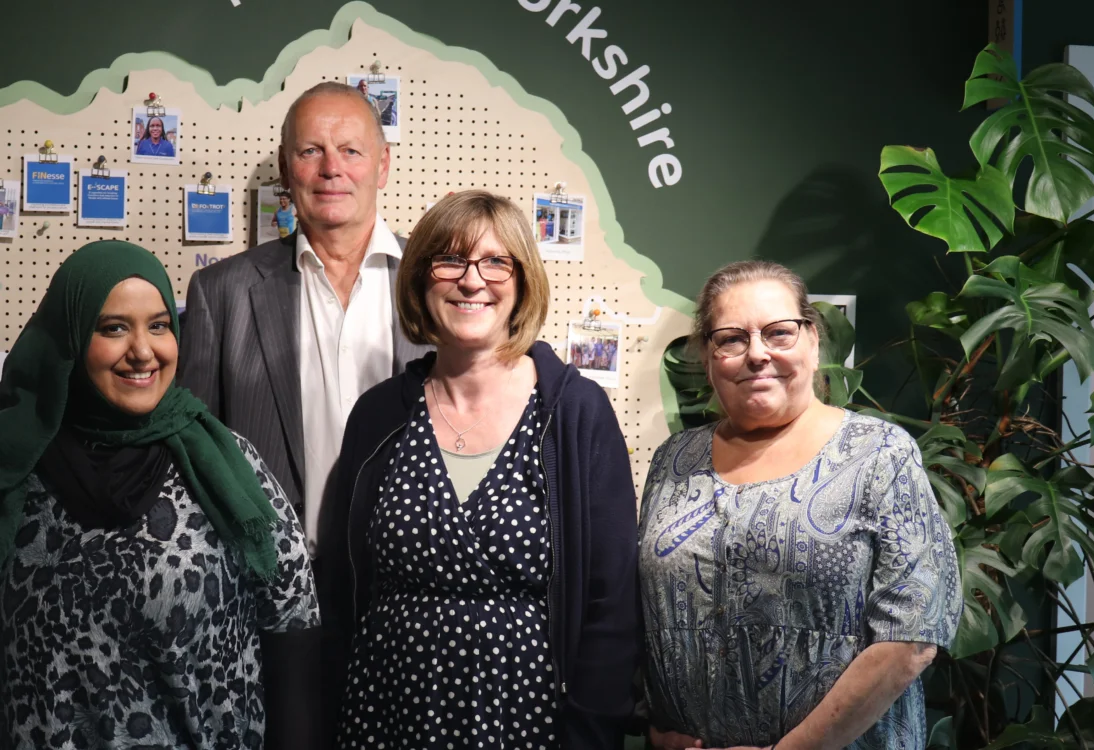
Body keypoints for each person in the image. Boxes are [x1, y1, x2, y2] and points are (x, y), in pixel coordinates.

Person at [321, 190, 640, 749]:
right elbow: (343, 587)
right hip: (387, 712)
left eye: (496, 261)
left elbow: (610, 604)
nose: (472, 281)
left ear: (522, 283)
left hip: (527, 718)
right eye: (450, 259)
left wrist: (590, 735)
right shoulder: (377, 416)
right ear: (422, 280)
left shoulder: (573, 413)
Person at [0, 241, 320, 750]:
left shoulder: (224, 464)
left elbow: (293, 628)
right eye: (113, 328)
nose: (144, 351)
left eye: (159, 325)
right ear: (69, 339)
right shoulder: (14, 467)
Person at [638, 260, 962, 750]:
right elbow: (649, 614)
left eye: (778, 333)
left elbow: (911, 639)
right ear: (707, 356)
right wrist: (655, 729)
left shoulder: (879, 454)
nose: (757, 354)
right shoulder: (674, 460)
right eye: (731, 339)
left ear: (812, 340)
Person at [179, 82, 429, 564]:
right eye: (311, 150)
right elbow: (197, 461)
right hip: (273, 595)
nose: (331, 168)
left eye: (351, 150)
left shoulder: (438, 283)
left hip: (408, 594)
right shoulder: (220, 294)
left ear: (383, 164)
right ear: (284, 166)